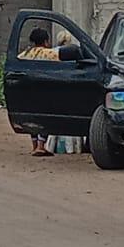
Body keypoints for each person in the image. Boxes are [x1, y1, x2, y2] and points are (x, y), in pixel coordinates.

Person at [18, 27, 75, 156]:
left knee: (32, 119)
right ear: (45, 41)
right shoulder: (50, 54)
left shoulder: (24, 55)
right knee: (45, 118)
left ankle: (34, 146)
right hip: (45, 91)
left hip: (27, 91)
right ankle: (41, 146)